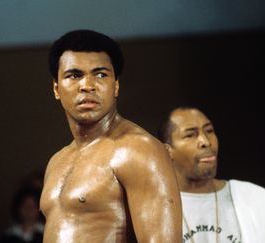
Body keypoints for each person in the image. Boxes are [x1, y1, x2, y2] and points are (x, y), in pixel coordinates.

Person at [40, 29, 182, 242]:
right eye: (74, 75)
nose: (87, 86)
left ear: (116, 85)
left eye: (100, 74)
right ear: (56, 88)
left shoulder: (137, 149)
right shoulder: (56, 161)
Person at [158, 107, 265, 243]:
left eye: (209, 131)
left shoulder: (260, 201)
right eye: (190, 135)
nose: (206, 142)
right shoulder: (156, 209)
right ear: (167, 150)